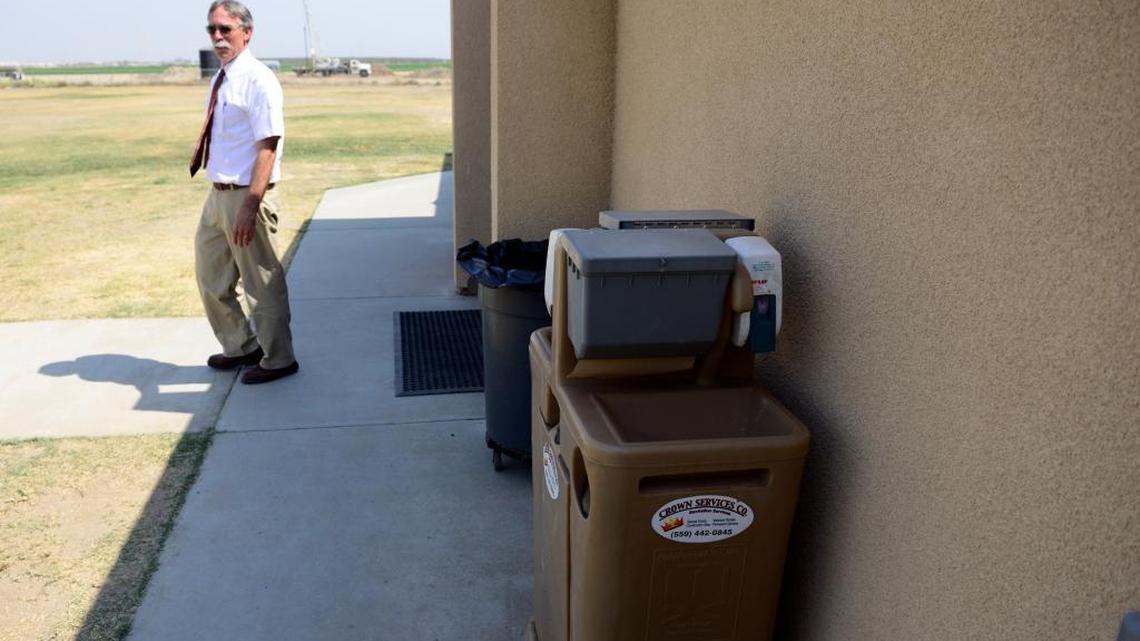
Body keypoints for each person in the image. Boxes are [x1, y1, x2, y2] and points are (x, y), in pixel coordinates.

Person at [191, 0, 298, 384]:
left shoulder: (258, 79)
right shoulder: (222, 78)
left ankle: (279, 358)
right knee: (210, 277)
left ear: (246, 32)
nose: (218, 37)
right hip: (218, 193)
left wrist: (250, 205)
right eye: (212, 30)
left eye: (225, 29)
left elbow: (268, 146)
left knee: (261, 283)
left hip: (247, 195)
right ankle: (241, 346)